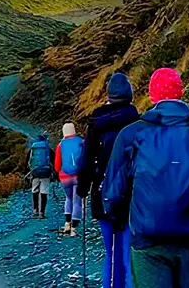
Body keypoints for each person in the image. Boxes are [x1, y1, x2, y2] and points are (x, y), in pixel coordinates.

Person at [102, 68, 189, 288]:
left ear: (152, 97)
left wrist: (124, 215)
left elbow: (112, 195)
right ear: (180, 93)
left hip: (148, 239)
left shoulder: (131, 135)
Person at [78, 73, 140, 288]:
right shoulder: (138, 122)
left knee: (110, 253)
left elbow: (86, 161)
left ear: (109, 95)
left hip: (102, 193)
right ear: (130, 95)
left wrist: (83, 189)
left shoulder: (96, 124)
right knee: (128, 252)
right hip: (131, 196)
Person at [55, 122, 85, 236]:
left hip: (65, 177)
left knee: (68, 199)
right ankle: (74, 228)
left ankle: (67, 223)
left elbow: (57, 165)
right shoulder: (81, 142)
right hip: (79, 176)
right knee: (77, 200)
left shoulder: (60, 145)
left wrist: (58, 172)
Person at [28, 132, 53, 219]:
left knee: (34, 191)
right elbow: (52, 160)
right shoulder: (47, 148)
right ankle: (42, 212)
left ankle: (35, 210)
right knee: (44, 192)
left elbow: (28, 161)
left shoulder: (33, 148)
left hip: (34, 173)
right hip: (45, 173)